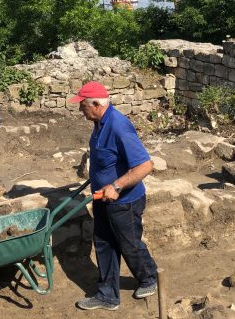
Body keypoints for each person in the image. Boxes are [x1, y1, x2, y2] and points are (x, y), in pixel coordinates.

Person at [69, 81, 157, 312]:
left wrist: (116, 186)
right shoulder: (99, 122)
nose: (80, 111)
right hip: (102, 199)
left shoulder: (118, 126)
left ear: (97, 104)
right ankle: (108, 296)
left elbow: (146, 165)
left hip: (125, 203)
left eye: (83, 106)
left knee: (129, 245)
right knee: (104, 245)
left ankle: (149, 277)